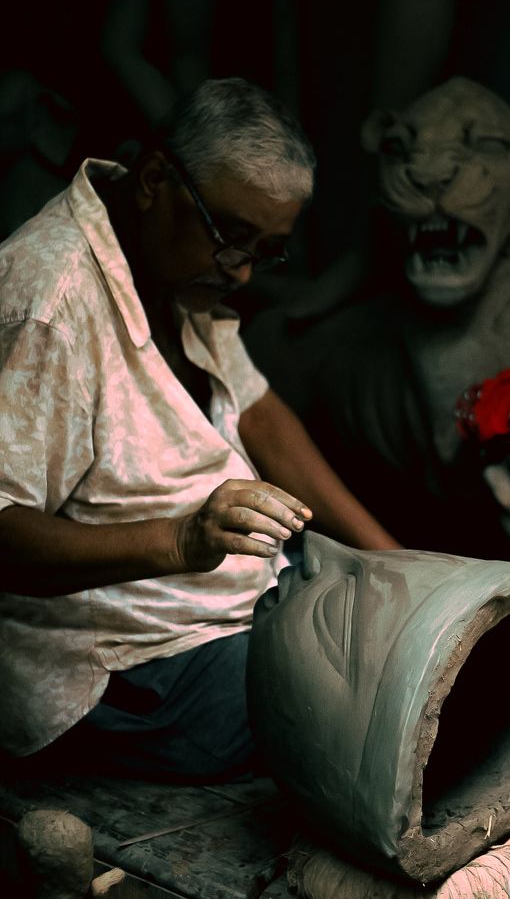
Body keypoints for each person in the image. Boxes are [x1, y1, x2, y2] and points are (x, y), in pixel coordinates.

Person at [0, 77, 399, 782]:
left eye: (265, 251)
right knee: (371, 704)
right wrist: (183, 539)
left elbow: (257, 411)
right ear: (155, 181)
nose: (242, 273)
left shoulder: (174, 265)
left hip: (235, 614)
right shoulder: (50, 300)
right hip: (122, 668)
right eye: (232, 239)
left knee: (399, 645)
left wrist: (399, 562)